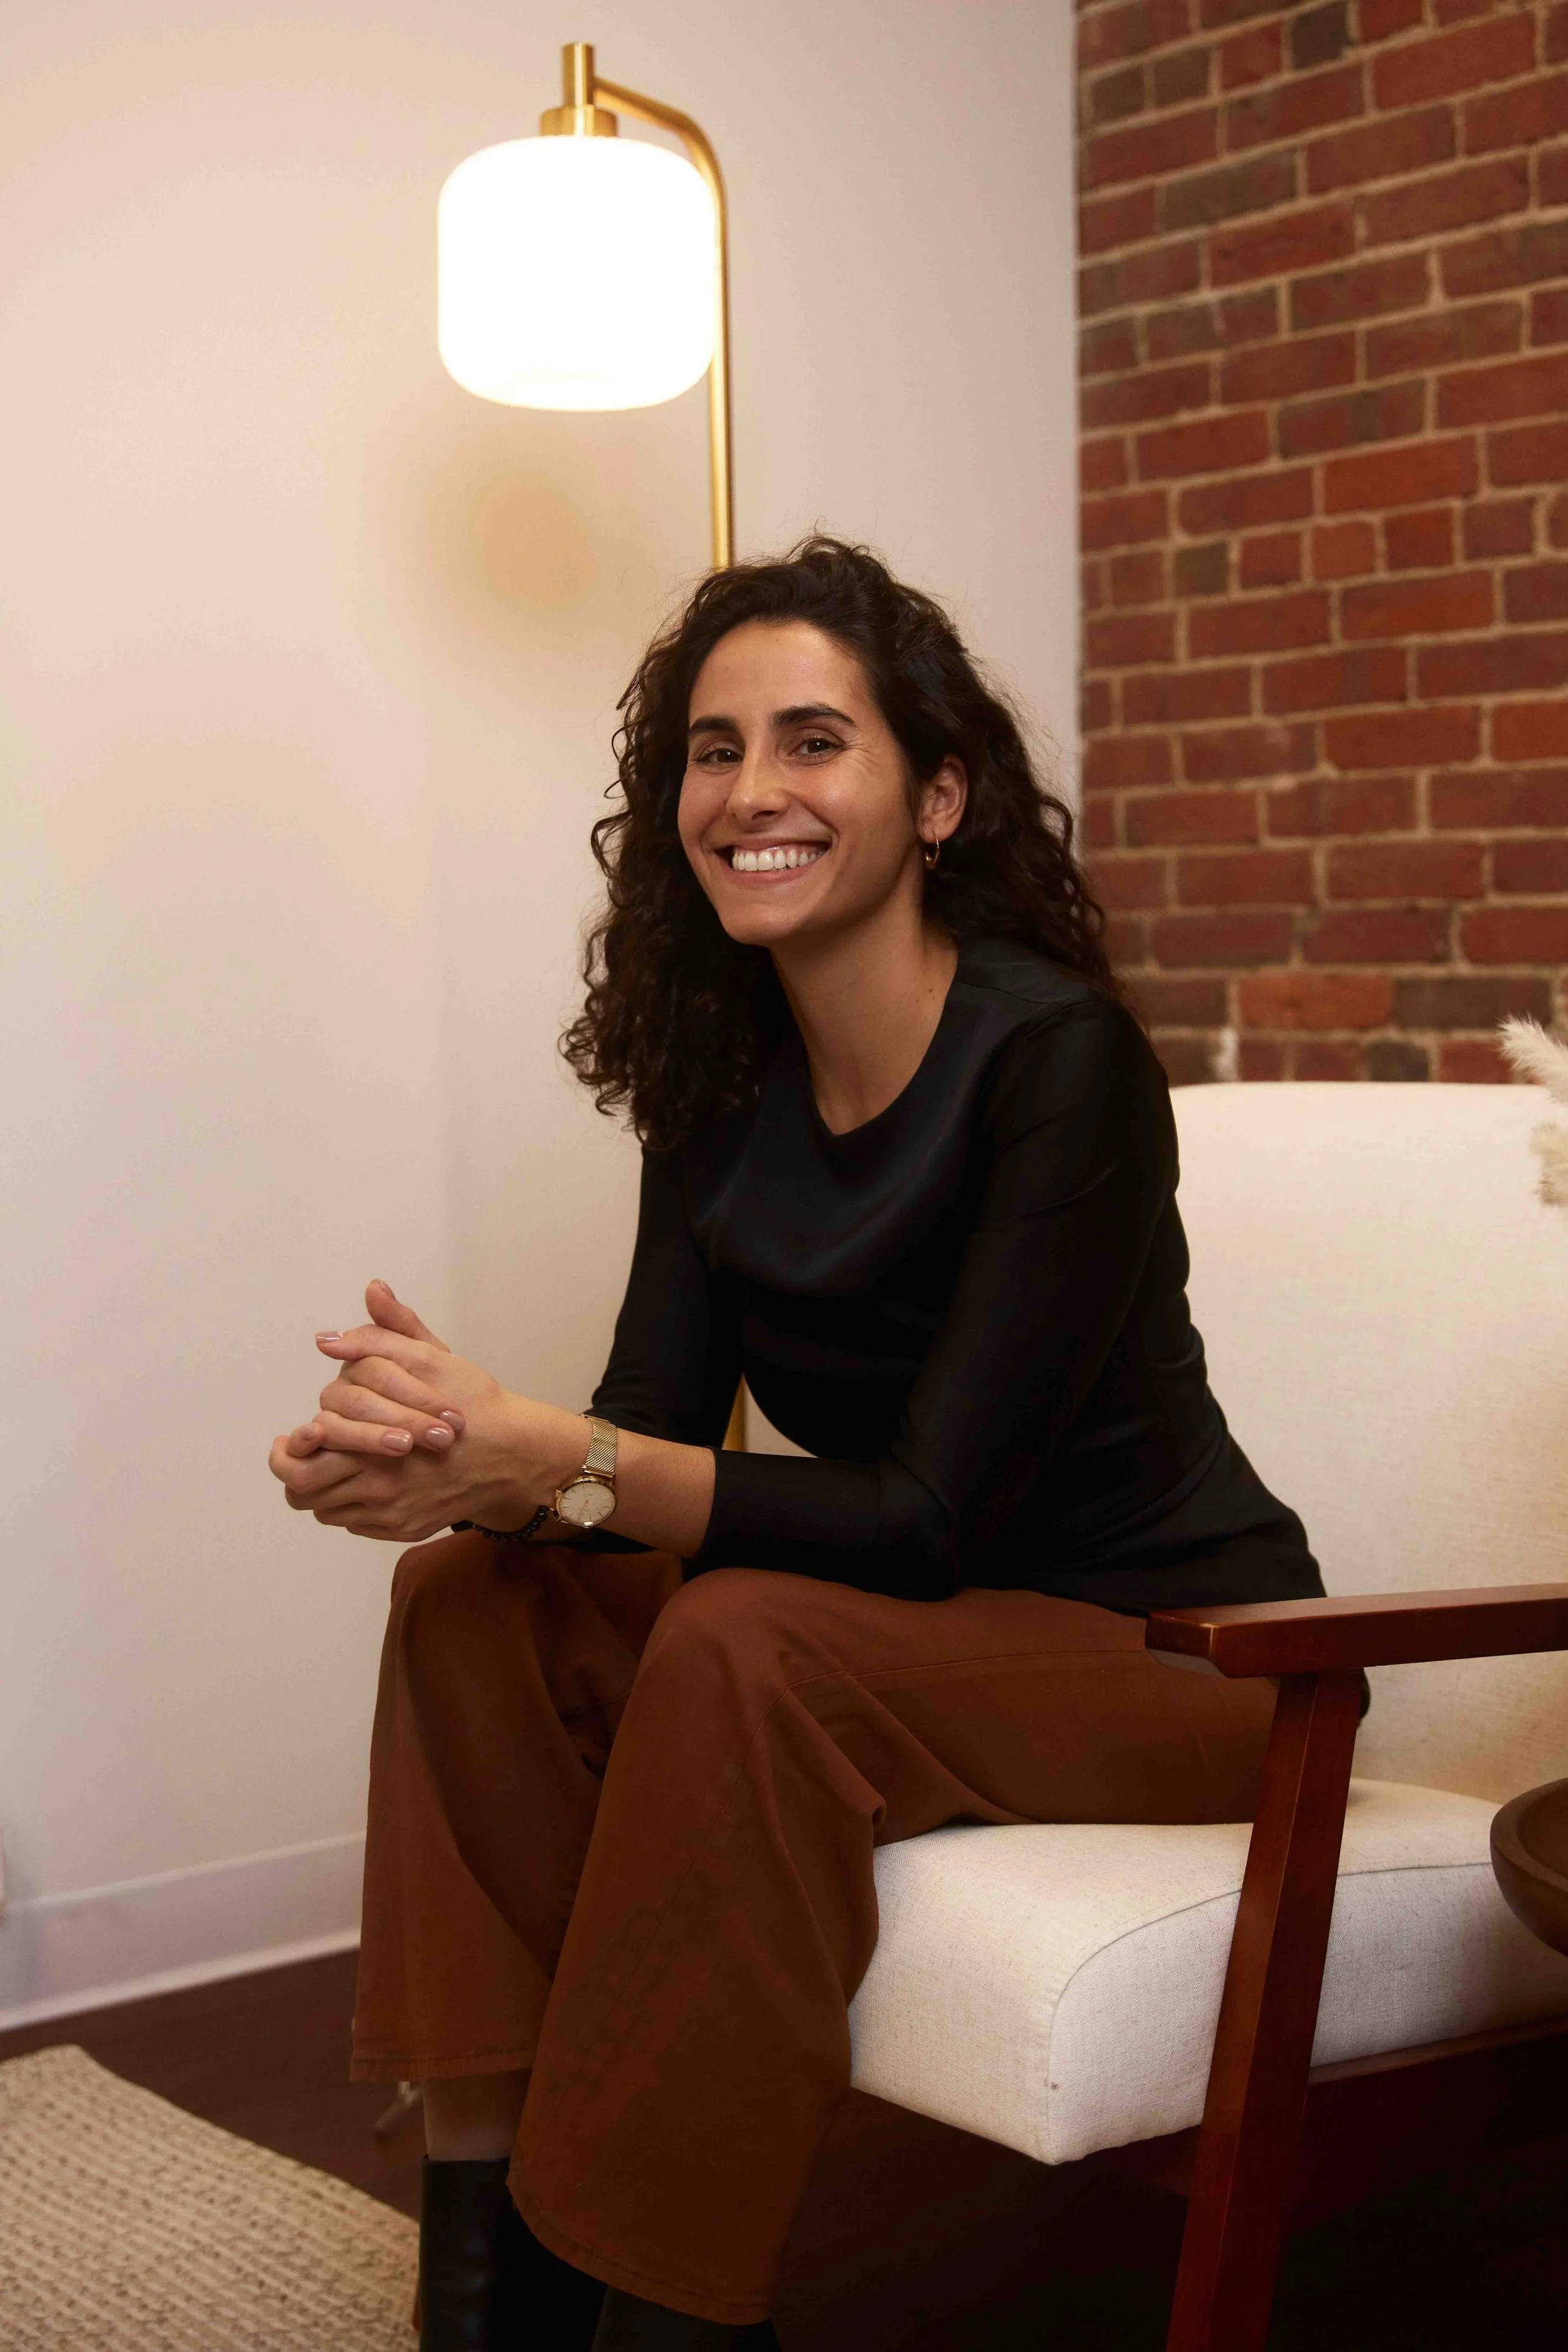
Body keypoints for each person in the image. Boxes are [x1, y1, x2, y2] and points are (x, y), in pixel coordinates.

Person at [269, 538, 1323, 2352]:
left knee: (742, 1639)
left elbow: (927, 1519)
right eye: (713, 748)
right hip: (918, 1635)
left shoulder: (1057, 1060)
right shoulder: (719, 1078)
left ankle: (668, 2304)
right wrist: (462, 1462)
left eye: (813, 741)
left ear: (939, 798)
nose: (750, 789)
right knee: (470, 1603)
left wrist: (556, 1458)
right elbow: (650, 1443)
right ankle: (494, 2298)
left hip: (1188, 1657)